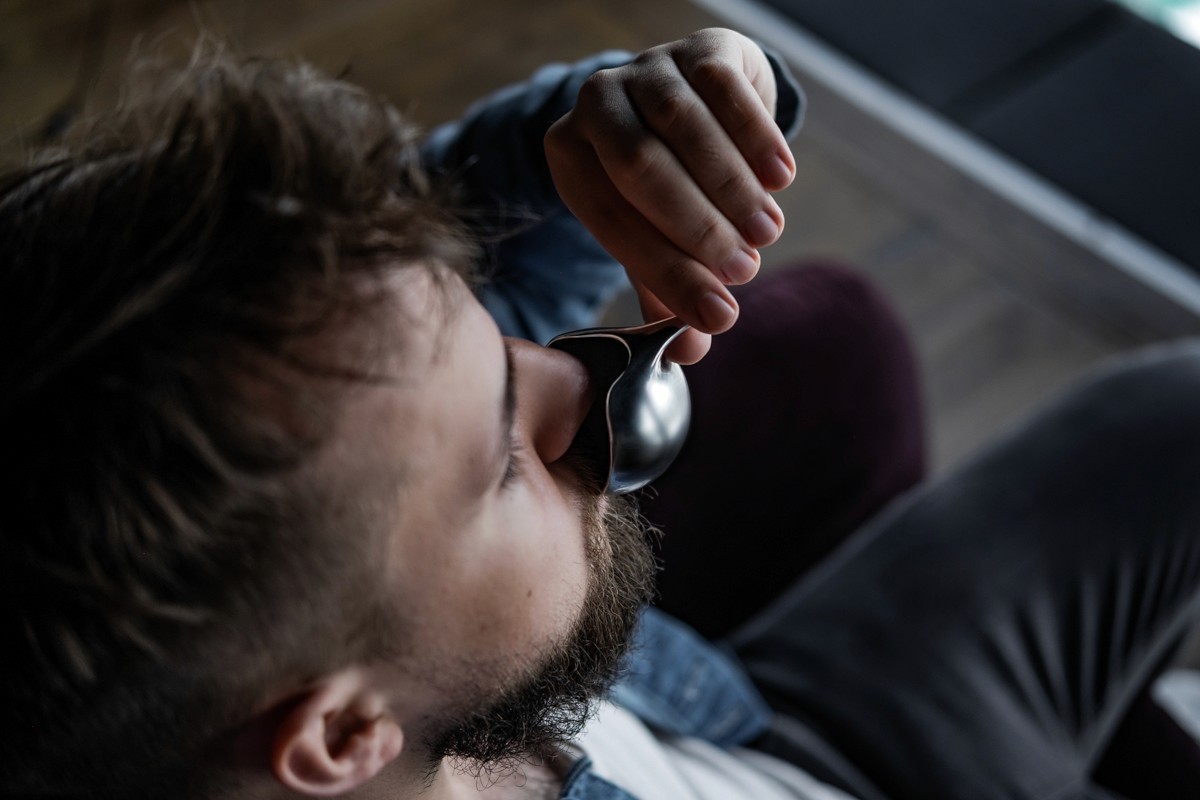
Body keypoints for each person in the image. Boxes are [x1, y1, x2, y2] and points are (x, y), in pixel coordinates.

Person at [1, 25, 1197, 800]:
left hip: (779, 725)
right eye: (503, 458)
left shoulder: (335, 539)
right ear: (342, 735)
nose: (585, 368)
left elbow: (459, 249)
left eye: (492, 330)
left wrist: (630, 123)